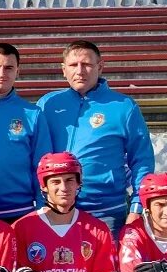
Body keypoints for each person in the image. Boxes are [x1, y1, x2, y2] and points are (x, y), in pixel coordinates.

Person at [37, 41, 155, 235]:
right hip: (57, 211)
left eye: (87, 64)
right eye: (73, 65)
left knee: (107, 266)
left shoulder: (123, 106)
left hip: (106, 212)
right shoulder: (48, 104)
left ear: (100, 67)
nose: (80, 71)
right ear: (63, 69)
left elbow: (142, 160)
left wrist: (137, 206)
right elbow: (36, 156)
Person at [0, 43, 52, 221]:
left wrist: (41, 206)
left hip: (22, 211)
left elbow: (42, 164)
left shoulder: (33, 114)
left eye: (8, 68)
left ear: (18, 71)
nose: (1, 74)